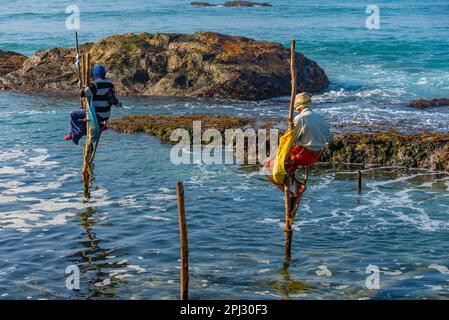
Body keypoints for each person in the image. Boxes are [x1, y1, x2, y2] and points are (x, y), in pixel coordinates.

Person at [266, 92, 333, 209]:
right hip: (316, 155)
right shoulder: (320, 117)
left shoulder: (300, 118)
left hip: (304, 154)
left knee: (268, 168)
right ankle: (298, 185)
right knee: (289, 168)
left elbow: (292, 140)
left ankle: (291, 193)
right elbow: (329, 138)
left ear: (297, 106)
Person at [64, 65, 121, 145]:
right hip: (106, 115)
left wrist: (82, 87)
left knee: (73, 114)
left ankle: (75, 134)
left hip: (95, 115)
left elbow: (83, 94)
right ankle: (99, 125)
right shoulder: (110, 84)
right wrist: (119, 104)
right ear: (104, 74)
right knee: (83, 111)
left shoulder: (95, 84)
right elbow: (114, 101)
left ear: (95, 74)